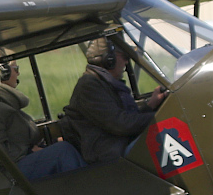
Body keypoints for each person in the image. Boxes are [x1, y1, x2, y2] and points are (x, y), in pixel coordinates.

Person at [0, 55, 85, 180]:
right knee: (62, 151)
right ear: (2, 71)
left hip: (17, 164)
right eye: (15, 68)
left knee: (62, 145)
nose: (18, 73)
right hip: (8, 174)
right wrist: (29, 151)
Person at [58, 36, 167, 165]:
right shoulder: (89, 85)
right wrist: (161, 116)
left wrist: (150, 105)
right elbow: (121, 124)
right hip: (109, 155)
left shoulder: (107, 83)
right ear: (109, 59)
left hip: (120, 145)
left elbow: (124, 117)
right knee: (165, 142)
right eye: (124, 57)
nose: (126, 62)